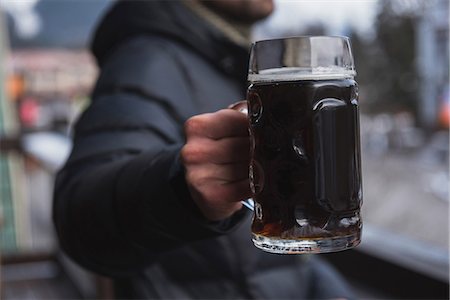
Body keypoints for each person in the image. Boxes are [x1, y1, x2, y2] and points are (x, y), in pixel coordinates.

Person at [53, 1, 355, 298]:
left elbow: (279, 263)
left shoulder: (217, 53)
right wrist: (179, 188)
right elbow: (80, 218)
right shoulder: (146, 59)